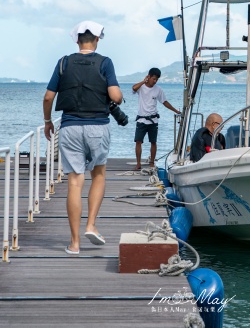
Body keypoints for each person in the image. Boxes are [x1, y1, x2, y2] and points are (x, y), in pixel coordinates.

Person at [43, 20, 124, 255]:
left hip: (69, 127)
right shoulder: (105, 63)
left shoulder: (63, 62)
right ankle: (91, 225)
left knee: (74, 183)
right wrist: (114, 95)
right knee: (98, 175)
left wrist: (48, 121)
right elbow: (115, 96)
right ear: (97, 40)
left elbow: (48, 97)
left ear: (77, 40)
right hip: (97, 126)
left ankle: (75, 243)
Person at [131, 67, 180, 170]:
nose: (155, 81)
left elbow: (164, 102)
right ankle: (138, 163)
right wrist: (143, 81)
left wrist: (176, 111)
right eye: (154, 78)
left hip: (153, 120)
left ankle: (152, 162)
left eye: (157, 79)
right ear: (149, 76)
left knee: (153, 142)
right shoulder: (141, 87)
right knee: (138, 141)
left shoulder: (158, 89)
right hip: (141, 119)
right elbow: (134, 88)